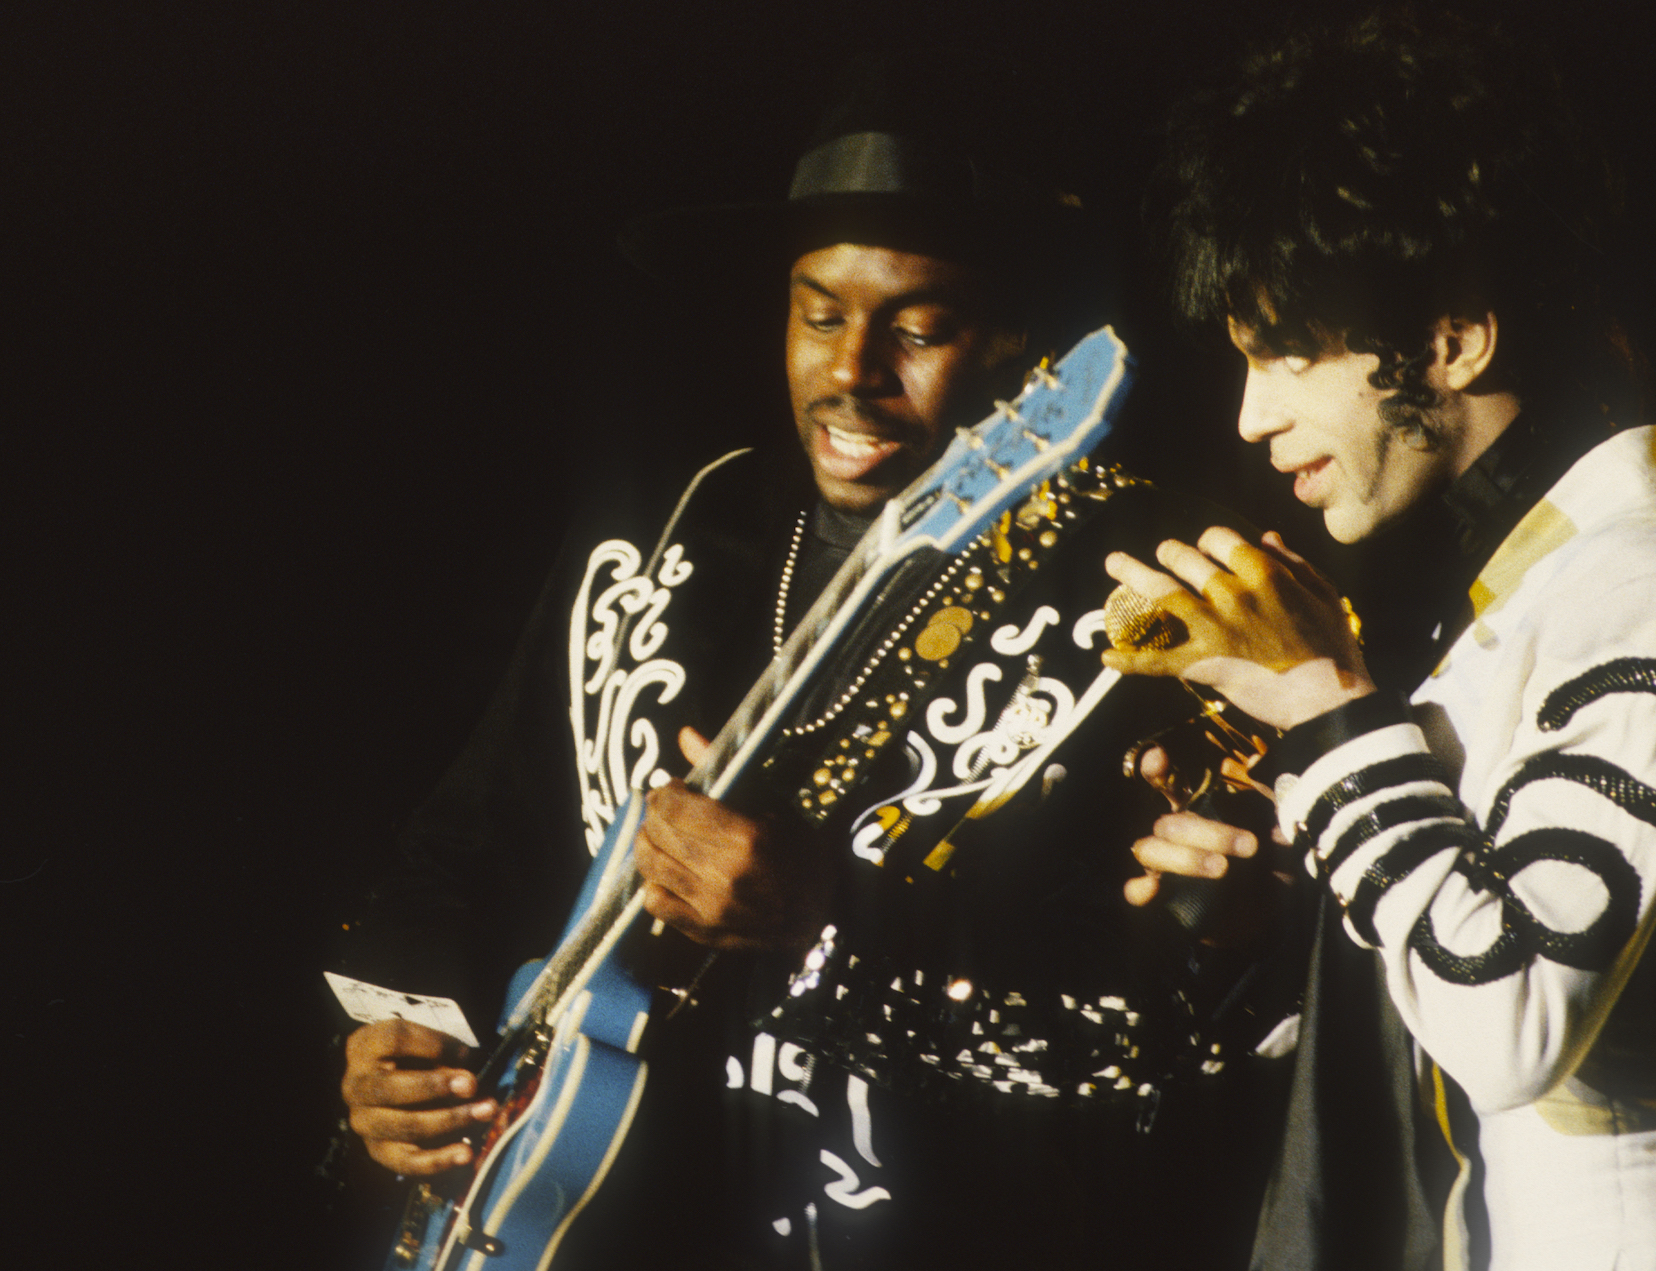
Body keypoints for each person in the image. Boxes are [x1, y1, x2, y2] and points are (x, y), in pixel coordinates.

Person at [333, 64, 1309, 1271]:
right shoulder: (664, 528)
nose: (852, 371)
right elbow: (456, 849)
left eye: (917, 328)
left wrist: (826, 920)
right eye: (818, 315)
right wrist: (395, 1048)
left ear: (1012, 340)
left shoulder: (1151, 592)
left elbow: (1180, 1025)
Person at [1104, 13, 1656, 1271]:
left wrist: (1325, 710)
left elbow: (1509, 1024)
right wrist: (1271, 901)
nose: (1252, 414)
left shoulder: (1646, 591)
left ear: (1452, 338)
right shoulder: (1538, 592)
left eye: (1286, 352)